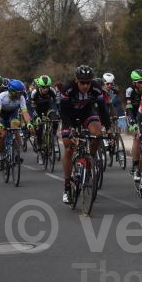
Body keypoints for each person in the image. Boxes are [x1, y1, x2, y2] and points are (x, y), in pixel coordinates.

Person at [59, 65, 111, 203]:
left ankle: (89, 161)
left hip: (86, 113)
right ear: (77, 81)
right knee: (69, 147)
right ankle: (67, 186)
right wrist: (70, 129)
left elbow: (103, 109)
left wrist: (109, 128)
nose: (86, 85)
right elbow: (63, 112)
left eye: (88, 82)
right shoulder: (68, 88)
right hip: (69, 116)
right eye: (82, 82)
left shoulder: (95, 88)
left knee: (97, 135)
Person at [0, 79, 33, 171]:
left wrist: (29, 123)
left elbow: (25, 113)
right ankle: (0, 157)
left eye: (21, 93)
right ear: (11, 91)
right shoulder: (1, 97)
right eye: (18, 93)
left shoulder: (21, 98)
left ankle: (16, 153)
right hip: (2, 116)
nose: (20, 95)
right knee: (2, 134)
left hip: (13, 115)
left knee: (16, 128)